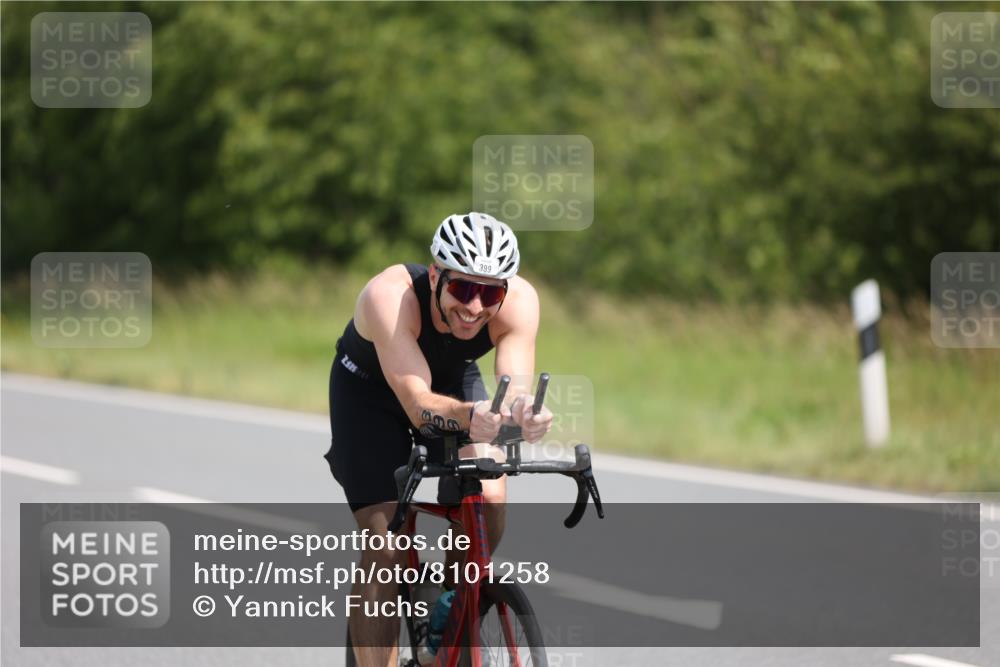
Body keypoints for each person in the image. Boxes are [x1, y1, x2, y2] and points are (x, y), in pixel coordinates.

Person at [325, 212, 553, 667]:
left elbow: (514, 387)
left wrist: (523, 413)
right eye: (462, 289)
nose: (474, 306)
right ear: (435, 275)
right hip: (373, 393)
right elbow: (417, 403)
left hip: (450, 383)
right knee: (384, 540)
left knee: (489, 492)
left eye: (488, 292)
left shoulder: (520, 300)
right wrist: (471, 416)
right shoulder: (390, 296)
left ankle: (448, 611)